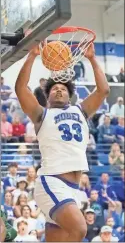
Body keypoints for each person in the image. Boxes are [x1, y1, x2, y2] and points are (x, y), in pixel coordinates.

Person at [15, 42, 110, 242]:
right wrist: (32, 56)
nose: (59, 91)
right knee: (80, 228)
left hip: (73, 189)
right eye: (54, 89)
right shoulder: (42, 114)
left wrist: (92, 59)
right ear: (47, 96)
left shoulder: (81, 111)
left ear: (70, 95)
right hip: (51, 181)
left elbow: (103, 90)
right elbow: (21, 88)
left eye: (63, 89)